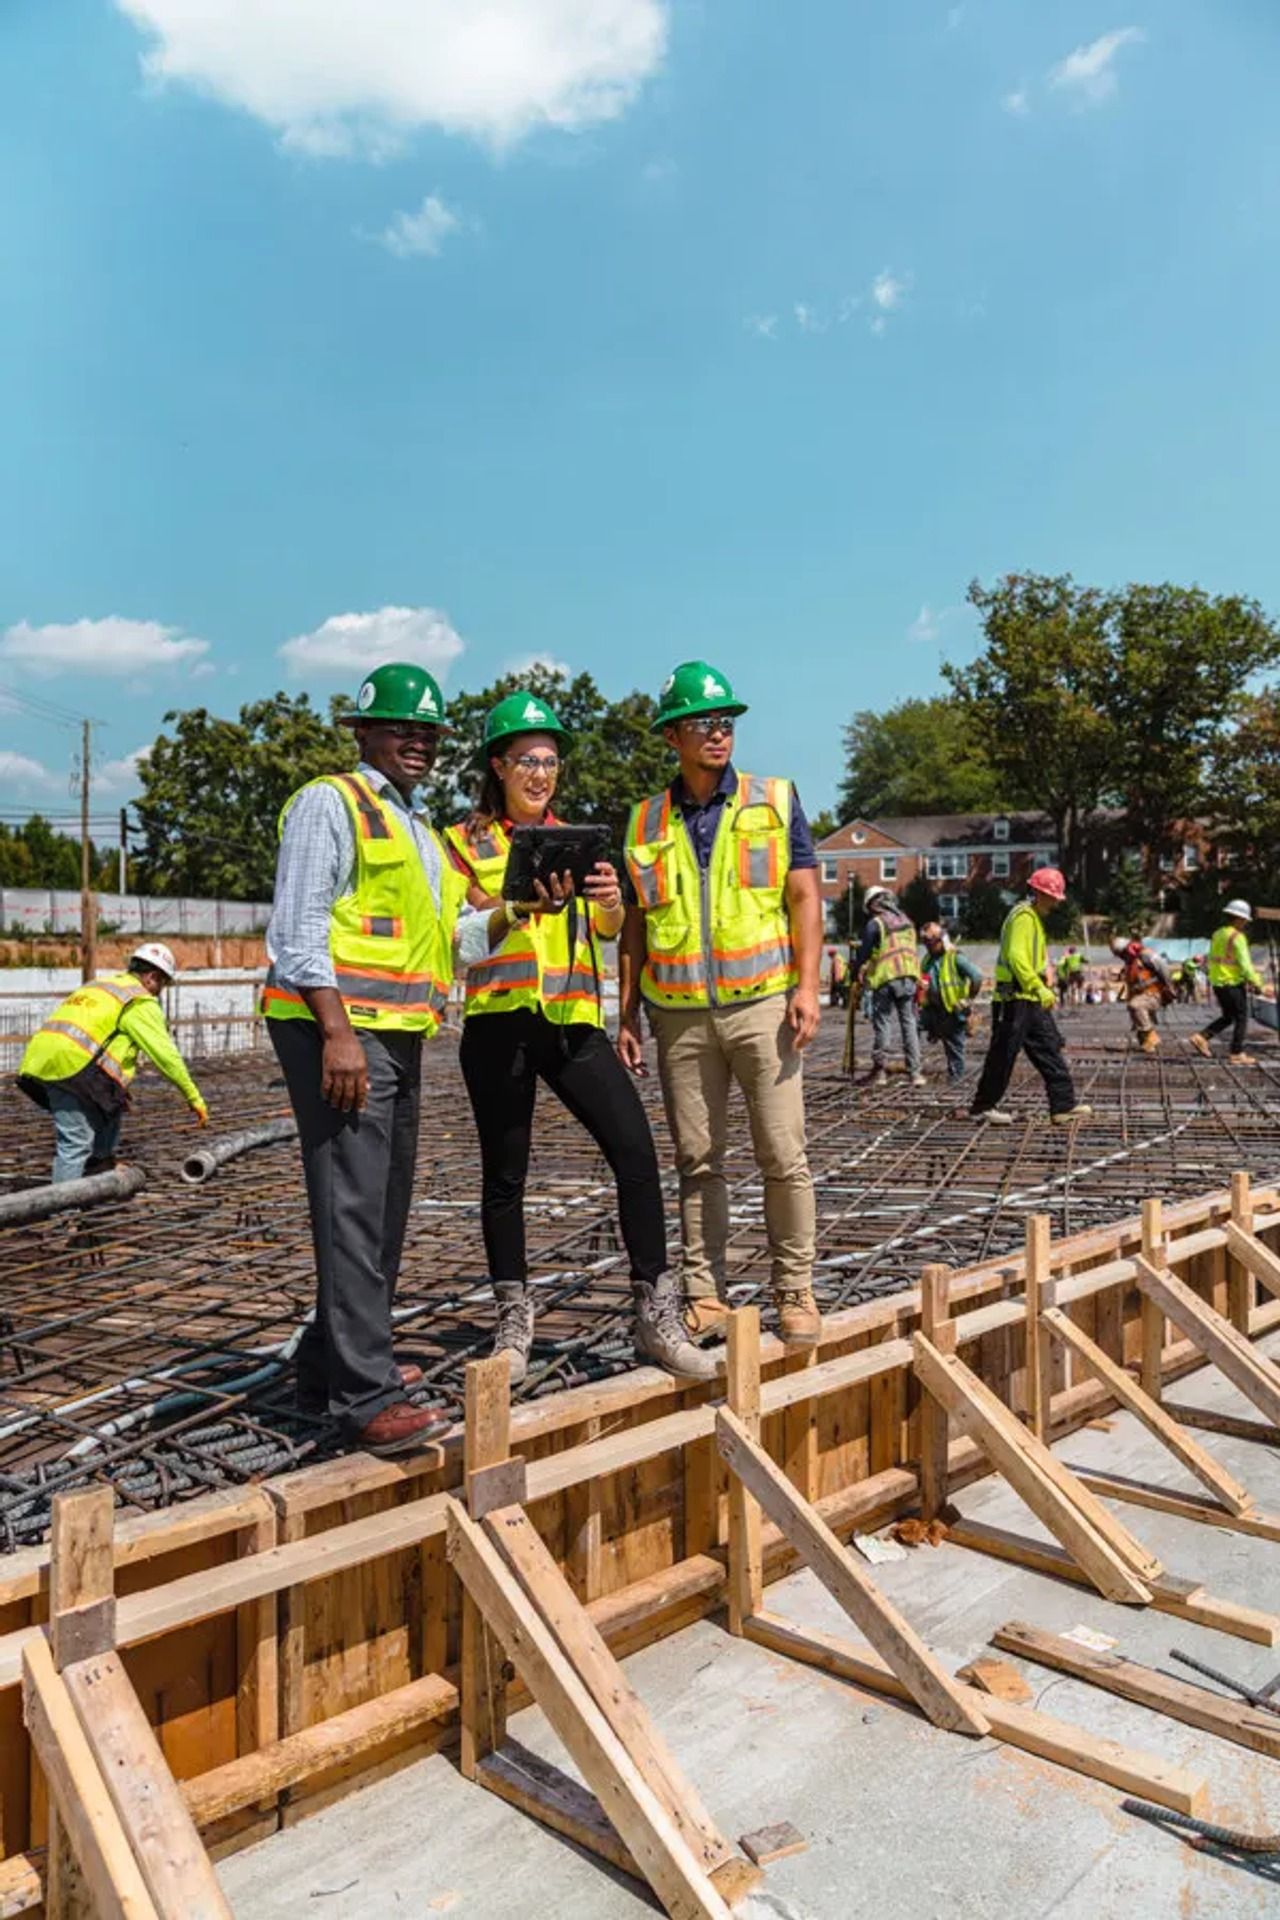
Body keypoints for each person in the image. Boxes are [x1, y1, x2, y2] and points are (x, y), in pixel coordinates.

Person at [446, 690, 714, 1385]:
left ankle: (656, 1314)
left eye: (551, 761)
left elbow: (602, 932)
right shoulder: (460, 844)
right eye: (527, 761)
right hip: (499, 1024)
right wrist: (515, 905)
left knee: (635, 1151)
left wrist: (610, 905)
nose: (541, 773)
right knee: (505, 1177)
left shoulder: (581, 841)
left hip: (570, 1024)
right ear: (498, 765)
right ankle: (513, 1320)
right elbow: (460, 942)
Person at [262, 661, 470, 1458]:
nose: (417, 742)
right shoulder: (331, 802)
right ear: (364, 732)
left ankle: (329, 1363)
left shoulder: (421, 831)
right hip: (337, 1029)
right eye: (401, 727)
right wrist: (337, 1032)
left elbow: (451, 942)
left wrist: (524, 910)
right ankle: (364, 1395)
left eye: (428, 732)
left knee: (380, 1205)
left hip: (398, 1032)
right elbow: (299, 928)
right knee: (352, 1205)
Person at [618, 660, 823, 1351]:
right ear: (672, 736)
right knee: (698, 1161)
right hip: (677, 1015)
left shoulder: (772, 799)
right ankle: (705, 1295)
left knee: (782, 1153)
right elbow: (637, 926)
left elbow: (803, 898)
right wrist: (625, 1015)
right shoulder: (644, 820)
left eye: (726, 721)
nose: (718, 733)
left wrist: (807, 987)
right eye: (704, 722)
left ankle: (794, 1289)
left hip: (764, 1006)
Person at [17, 942, 207, 1182]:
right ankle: (63, 1214)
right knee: (74, 1144)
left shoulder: (100, 986)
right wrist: (193, 1098)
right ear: (151, 977)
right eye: (163, 984)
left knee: (112, 1101)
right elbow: (166, 1057)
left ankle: (100, 1166)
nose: (161, 991)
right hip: (72, 1067)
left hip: (40, 1060)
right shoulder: (139, 1001)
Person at [970, 868, 1092, 1127]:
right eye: (1051, 895)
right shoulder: (1024, 916)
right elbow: (1016, 958)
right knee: (1003, 1053)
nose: (1055, 901)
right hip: (1014, 998)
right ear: (1037, 892)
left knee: (1049, 1047)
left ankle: (1063, 1105)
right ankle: (983, 1107)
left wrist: (1039, 986)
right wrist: (1038, 987)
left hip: (1028, 997)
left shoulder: (1033, 917)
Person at [853, 886, 924, 1087]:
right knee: (909, 1025)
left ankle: (880, 1072)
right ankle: (915, 1073)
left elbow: (864, 953)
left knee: (883, 1024)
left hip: (886, 979)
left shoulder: (876, 923)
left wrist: (855, 973)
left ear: (874, 904)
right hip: (909, 977)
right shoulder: (908, 922)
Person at [1190, 900, 1262, 1065]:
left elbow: (1214, 959)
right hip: (1232, 983)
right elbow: (1245, 965)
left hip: (1218, 983)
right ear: (1238, 918)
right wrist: (1257, 983)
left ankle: (1202, 1037)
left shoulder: (1217, 934)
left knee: (1229, 1016)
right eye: (1244, 920)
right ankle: (1236, 1053)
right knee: (1242, 1017)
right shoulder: (1238, 937)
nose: (1245, 923)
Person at [918, 922, 982, 1081]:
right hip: (932, 1010)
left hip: (953, 1011)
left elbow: (977, 976)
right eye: (926, 943)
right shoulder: (927, 959)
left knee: (954, 1049)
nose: (928, 947)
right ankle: (914, 1067)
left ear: (940, 941)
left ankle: (956, 1081)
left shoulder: (955, 958)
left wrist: (968, 999)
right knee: (912, 1025)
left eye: (931, 943)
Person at [1112, 936, 1173, 1054]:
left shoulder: (1145, 955)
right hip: (1142, 995)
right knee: (1135, 1017)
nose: (1120, 957)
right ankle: (1148, 1045)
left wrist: (1169, 987)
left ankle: (1151, 1036)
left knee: (1135, 1006)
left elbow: (1163, 968)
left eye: (1120, 954)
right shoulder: (1130, 961)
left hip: (1153, 994)